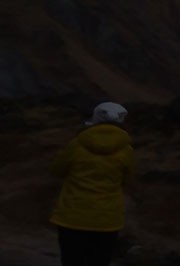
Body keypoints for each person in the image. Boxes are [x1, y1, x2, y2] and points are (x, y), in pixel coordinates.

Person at [51, 102, 134, 266]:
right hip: (107, 219)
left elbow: (57, 170)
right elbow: (128, 180)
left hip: (72, 216)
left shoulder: (77, 145)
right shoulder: (126, 150)